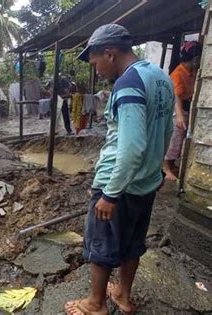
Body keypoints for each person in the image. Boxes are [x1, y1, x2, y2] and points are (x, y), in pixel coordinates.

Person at [64, 24, 174, 315]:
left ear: (109, 54)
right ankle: (123, 296)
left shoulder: (127, 84)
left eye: (95, 63)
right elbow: (167, 130)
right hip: (146, 182)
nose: (96, 70)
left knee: (101, 243)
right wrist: (158, 168)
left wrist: (110, 194)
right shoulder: (161, 78)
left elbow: (132, 145)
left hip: (119, 184)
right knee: (133, 242)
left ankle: (95, 304)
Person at [163, 41, 202, 181]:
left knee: (180, 139)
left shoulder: (191, 72)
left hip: (185, 106)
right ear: (196, 59)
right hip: (176, 109)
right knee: (174, 138)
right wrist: (179, 115)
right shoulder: (178, 74)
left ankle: (171, 164)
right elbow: (176, 96)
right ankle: (166, 168)